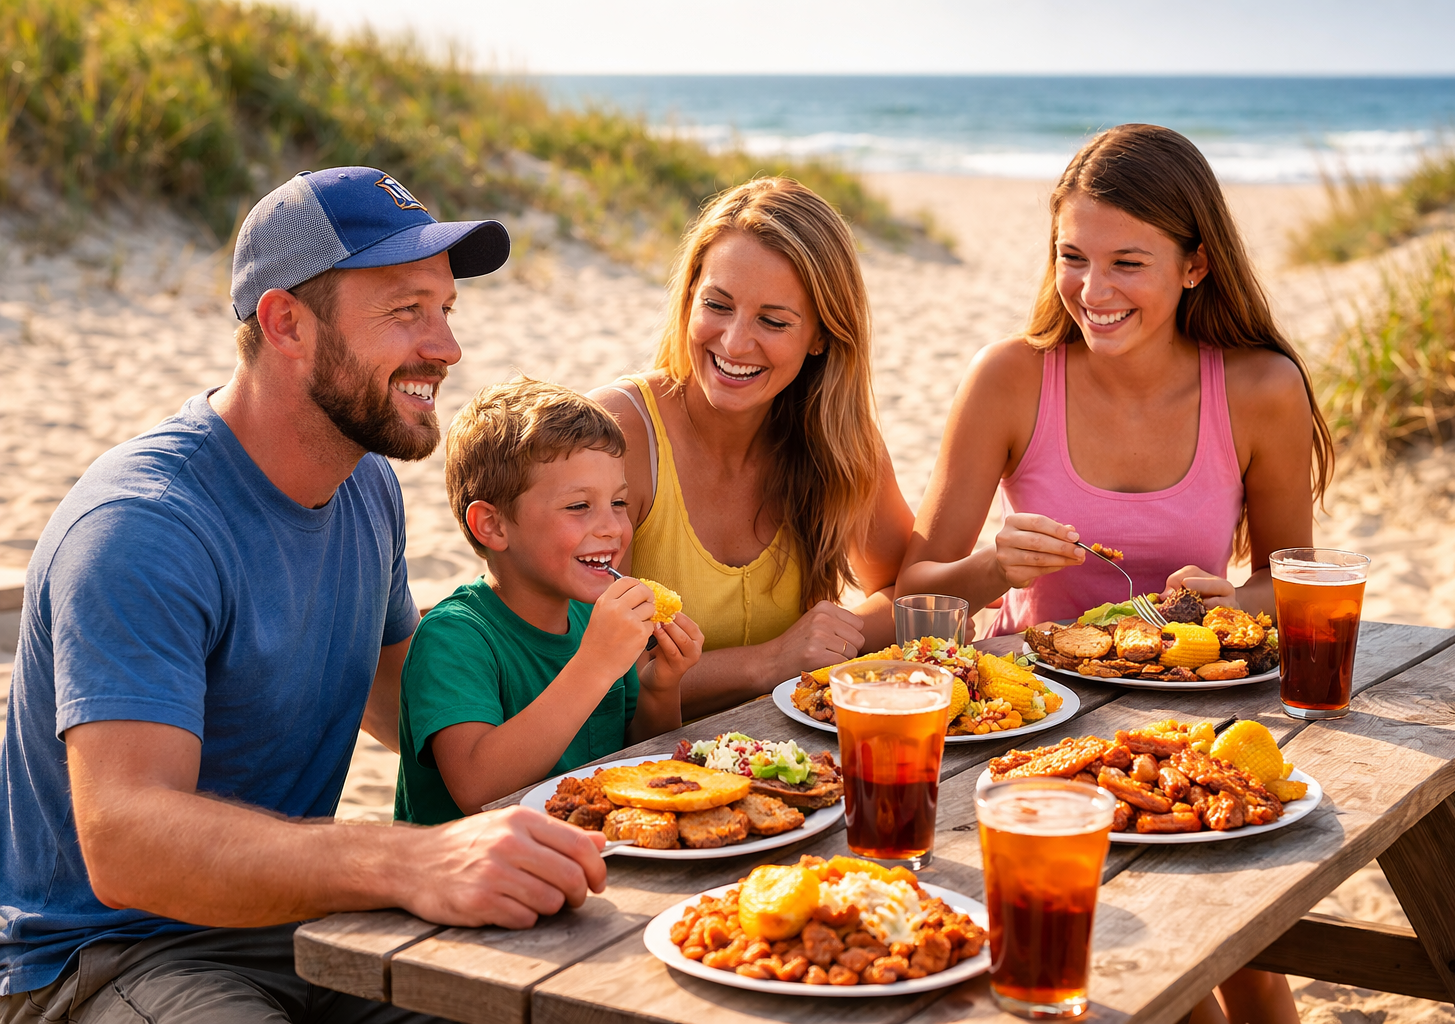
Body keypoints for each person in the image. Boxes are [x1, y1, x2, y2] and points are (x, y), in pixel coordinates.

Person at [0, 167, 609, 1024]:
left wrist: (594, 663)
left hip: (300, 918)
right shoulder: (144, 525)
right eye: (406, 311)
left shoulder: (365, 488)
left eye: (446, 311)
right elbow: (126, 842)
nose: (446, 347)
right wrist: (407, 861)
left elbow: (412, 710)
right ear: (286, 322)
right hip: (110, 953)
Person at [897, 124, 1323, 1023]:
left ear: (1195, 264)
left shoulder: (1258, 388)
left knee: (1236, 938)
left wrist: (1231, 599)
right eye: (1072, 257)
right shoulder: (1011, 378)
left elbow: (1294, 581)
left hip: (1199, 720)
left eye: (1128, 262)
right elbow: (913, 589)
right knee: (1135, 957)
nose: (1094, 292)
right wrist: (991, 566)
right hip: (1036, 726)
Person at [593, 177, 914, 718]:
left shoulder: (837, 439)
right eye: (717, 305)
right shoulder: (617, 434)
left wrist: (838, 636)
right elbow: (602, 677)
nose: (736, 342)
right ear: (689, 297)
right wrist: (772, 661)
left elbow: (904, 590)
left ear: (821, 336)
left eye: (773, 320)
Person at [394, 378, 704, 824]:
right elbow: (478, 789)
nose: (613, 527)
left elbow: (644, 759)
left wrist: (660, 686)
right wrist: (595, 665)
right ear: (493, 527)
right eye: (579, 506)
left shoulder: (590, 617)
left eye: (619, 502)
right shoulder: (454, 638)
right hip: (478, 879)